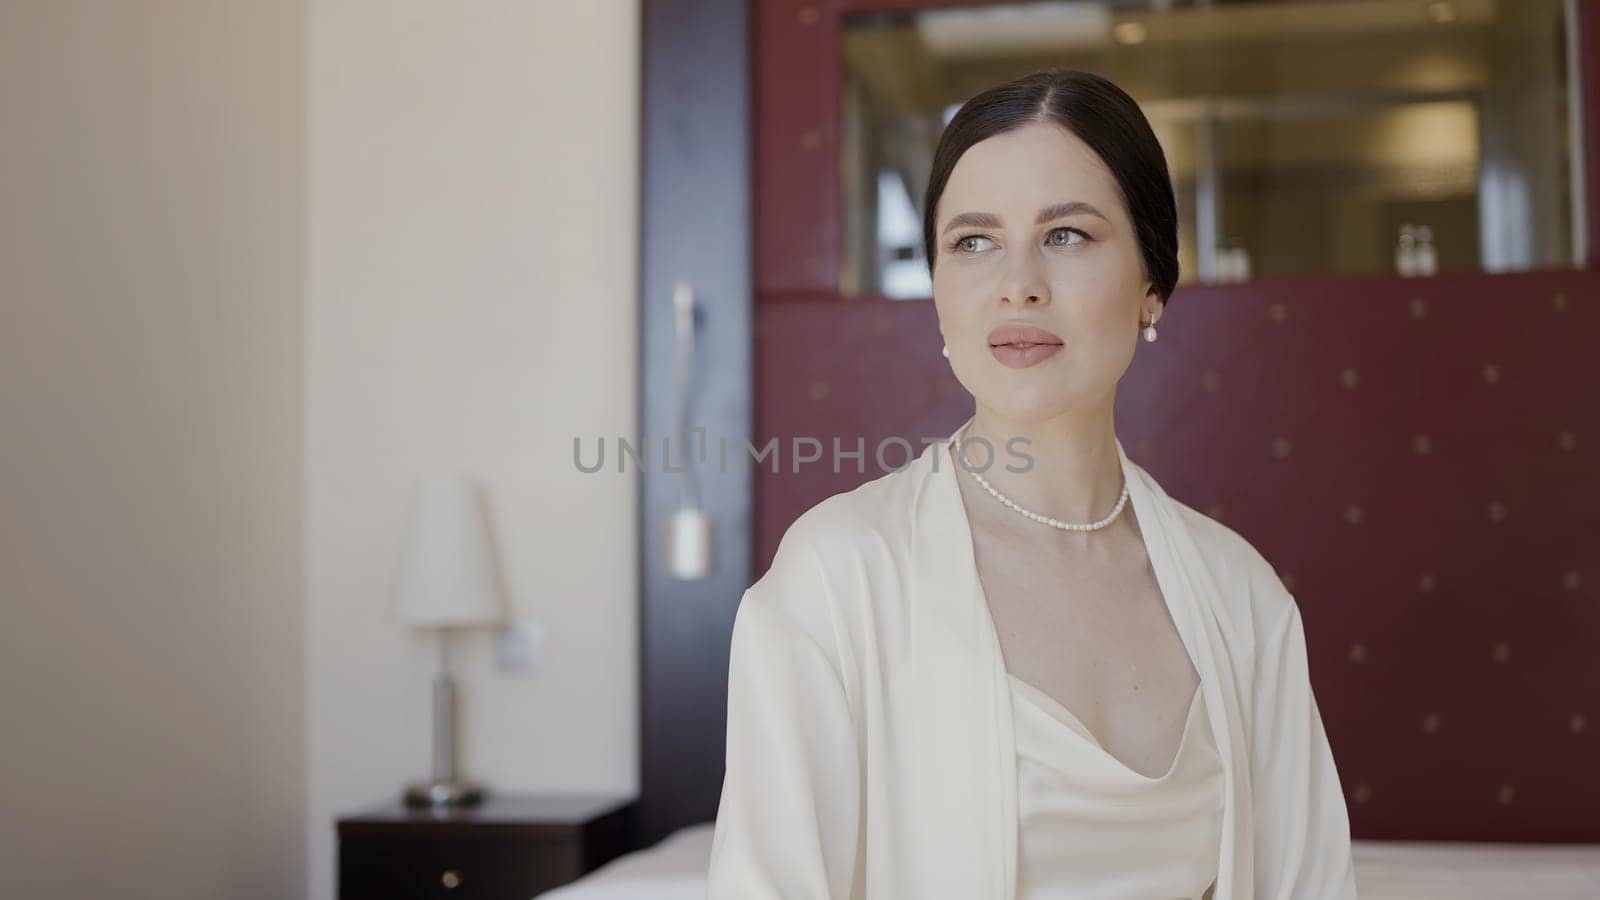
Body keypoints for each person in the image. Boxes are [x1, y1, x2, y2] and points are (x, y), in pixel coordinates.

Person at [707, 67, 1358, 900]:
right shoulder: (837, 579)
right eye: (973, 241)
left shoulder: (1242, 598)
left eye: (1067, 235)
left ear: (1152, 284)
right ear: (938, 291)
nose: (1018, 282)